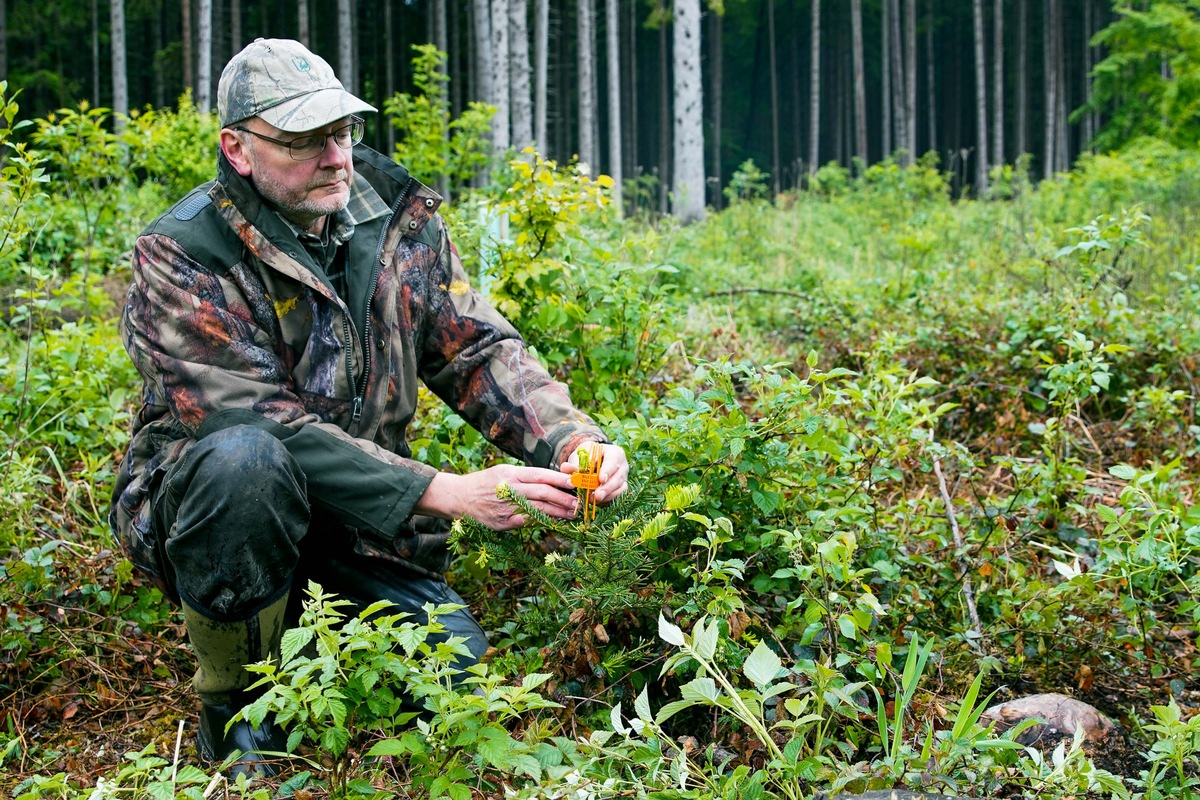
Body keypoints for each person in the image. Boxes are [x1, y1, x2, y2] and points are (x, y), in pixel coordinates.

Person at [108, 37, 628, 778]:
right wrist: (444, 492)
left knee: (457, 674)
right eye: (304, 140)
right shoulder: (185, 252)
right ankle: (235, 706)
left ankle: (313, 630)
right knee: (244, 464)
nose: (336, 157)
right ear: (238, 149)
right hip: (220, 506)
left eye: (342, 131)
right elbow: (253, 420)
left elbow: (475, 346)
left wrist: (572, 442)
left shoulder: (394, 218)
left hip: (361, 525)